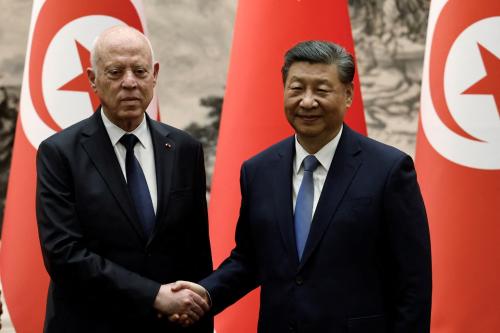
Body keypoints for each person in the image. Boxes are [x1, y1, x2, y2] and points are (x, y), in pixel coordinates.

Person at [173, 40, 432, 332]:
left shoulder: (389, 170)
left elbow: (413, 283)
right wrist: (204, 293)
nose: (307, 102)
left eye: (321, 90)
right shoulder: (258, 171)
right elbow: (249, 260)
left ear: (348, 95)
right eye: (297, 89)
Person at [36, 26, 213, 333]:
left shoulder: (185, 149)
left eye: (140, 71)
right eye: (116, 72)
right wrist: (152, 295)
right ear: (92, 79)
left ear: (154, 74)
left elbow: (196, 253)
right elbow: (64, 255)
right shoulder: (59, 153)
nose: (129, 82)